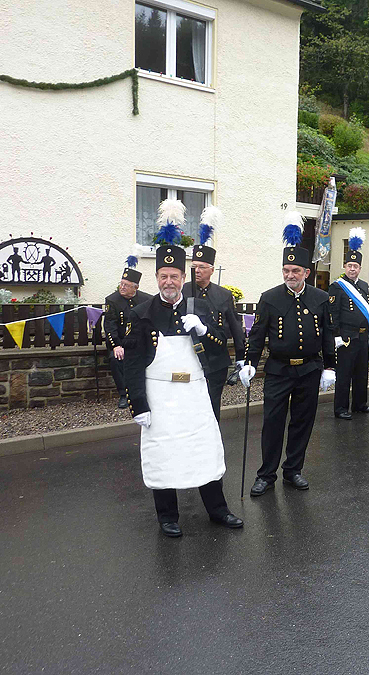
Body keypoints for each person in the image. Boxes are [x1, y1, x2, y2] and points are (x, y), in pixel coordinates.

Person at [124, 200, 242, 538]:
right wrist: (138, 405)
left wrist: (204, 330)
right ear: (157, 277)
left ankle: (218, 510)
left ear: (182, 277)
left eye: (174, 276)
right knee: (165, 453)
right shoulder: (142, 314)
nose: (169, 281)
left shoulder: (199, 307)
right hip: (160, 396)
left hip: (194, 392)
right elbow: (133, 364)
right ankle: (167, 516)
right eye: (163, 276)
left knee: (203, 448)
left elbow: (220, 348)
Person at [238, 212, 337, 496]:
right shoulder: (270, 297)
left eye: (295, 271)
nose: (290, 276)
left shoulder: (320, 298)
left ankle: (293, 470)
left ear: (306, 272)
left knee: (302, 422)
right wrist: (249, 363)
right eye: (286, 271)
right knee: (272, 423)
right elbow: (257, 334)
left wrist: (330, 367)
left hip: (308, 370)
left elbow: (328, 334)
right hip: (279, 370)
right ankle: (266, 474)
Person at [183, 207, 246, 421]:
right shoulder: (183, 291)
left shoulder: (223, 295)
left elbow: (235, 326)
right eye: (194, 267)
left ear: (211, 269)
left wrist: (241, 357)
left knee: (211, 407)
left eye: (202, 267)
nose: (197, 270)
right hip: (188, 358)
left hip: (216, 359)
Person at [329, 228, 369, 419]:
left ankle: (360, 404)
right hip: (347, 337)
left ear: (360, 267)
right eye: (349, 265)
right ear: (344, 266)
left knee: (361, 372)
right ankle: (341, 408)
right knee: (344, 374)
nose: (352, 269)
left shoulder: (364, 286)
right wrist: (336, 336)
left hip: (363, 336)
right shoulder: (337, 286)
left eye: (355, 266)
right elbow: (332, 313)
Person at [104, 257, 151, 409]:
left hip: (139, 342)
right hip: (121, 342)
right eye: (121, 284)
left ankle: (146, 391)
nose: (122, 287)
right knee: (115, 358)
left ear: (135, 288)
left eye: (126, 285)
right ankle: (124, 394)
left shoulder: (146, 299)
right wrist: (116, 345)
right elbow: (110, 325)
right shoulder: (112, 300)